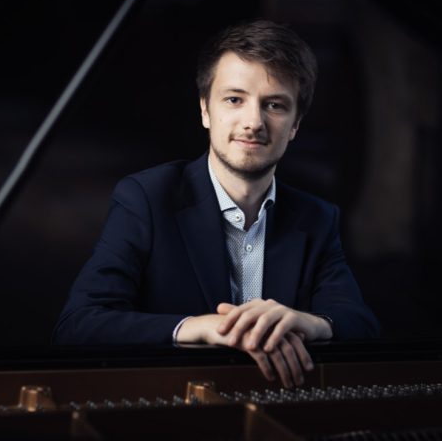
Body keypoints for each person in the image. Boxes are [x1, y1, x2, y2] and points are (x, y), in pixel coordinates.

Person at [53, 20, 379, 388]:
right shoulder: (146, 198)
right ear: (205, 110)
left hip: (278, 402)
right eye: (234, 99)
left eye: (274, 105)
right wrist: (196, 327)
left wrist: (313, 323)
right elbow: (78, 325)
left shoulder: (316, 217)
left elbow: (361, 324)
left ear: (295, 125)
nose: (253, 122)